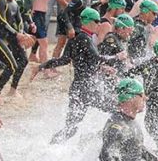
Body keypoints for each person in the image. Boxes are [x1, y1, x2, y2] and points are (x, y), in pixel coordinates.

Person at [38, 7, 128, 143]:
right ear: (88, 21)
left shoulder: (77, 37)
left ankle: (52, 146)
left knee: (71, 128)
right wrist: (117, 57)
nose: (99, 25)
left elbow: (66, 60)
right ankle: (110, 139)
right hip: (86, 88)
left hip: (78, 88)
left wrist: (41, 66)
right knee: (117, 108)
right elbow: (96, 58)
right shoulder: (84, 38)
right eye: (97, 21)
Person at [0, 0, 33, 100]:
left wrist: (24, 34)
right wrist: (17, 34)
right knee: (10, 65)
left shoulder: (15, 4)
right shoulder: (0, 1)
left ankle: (13, 89)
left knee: (23, 60)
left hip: (9, 36)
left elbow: (18, 22)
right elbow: (2, 21)